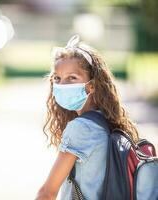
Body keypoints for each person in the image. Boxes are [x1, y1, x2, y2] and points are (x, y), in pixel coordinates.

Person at [36, 35, 139, 200]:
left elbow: (47, 193)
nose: (62, 85)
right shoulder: (105, 121)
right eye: (57, 78)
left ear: (91, 86)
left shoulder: (81, 128)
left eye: (72, 78)